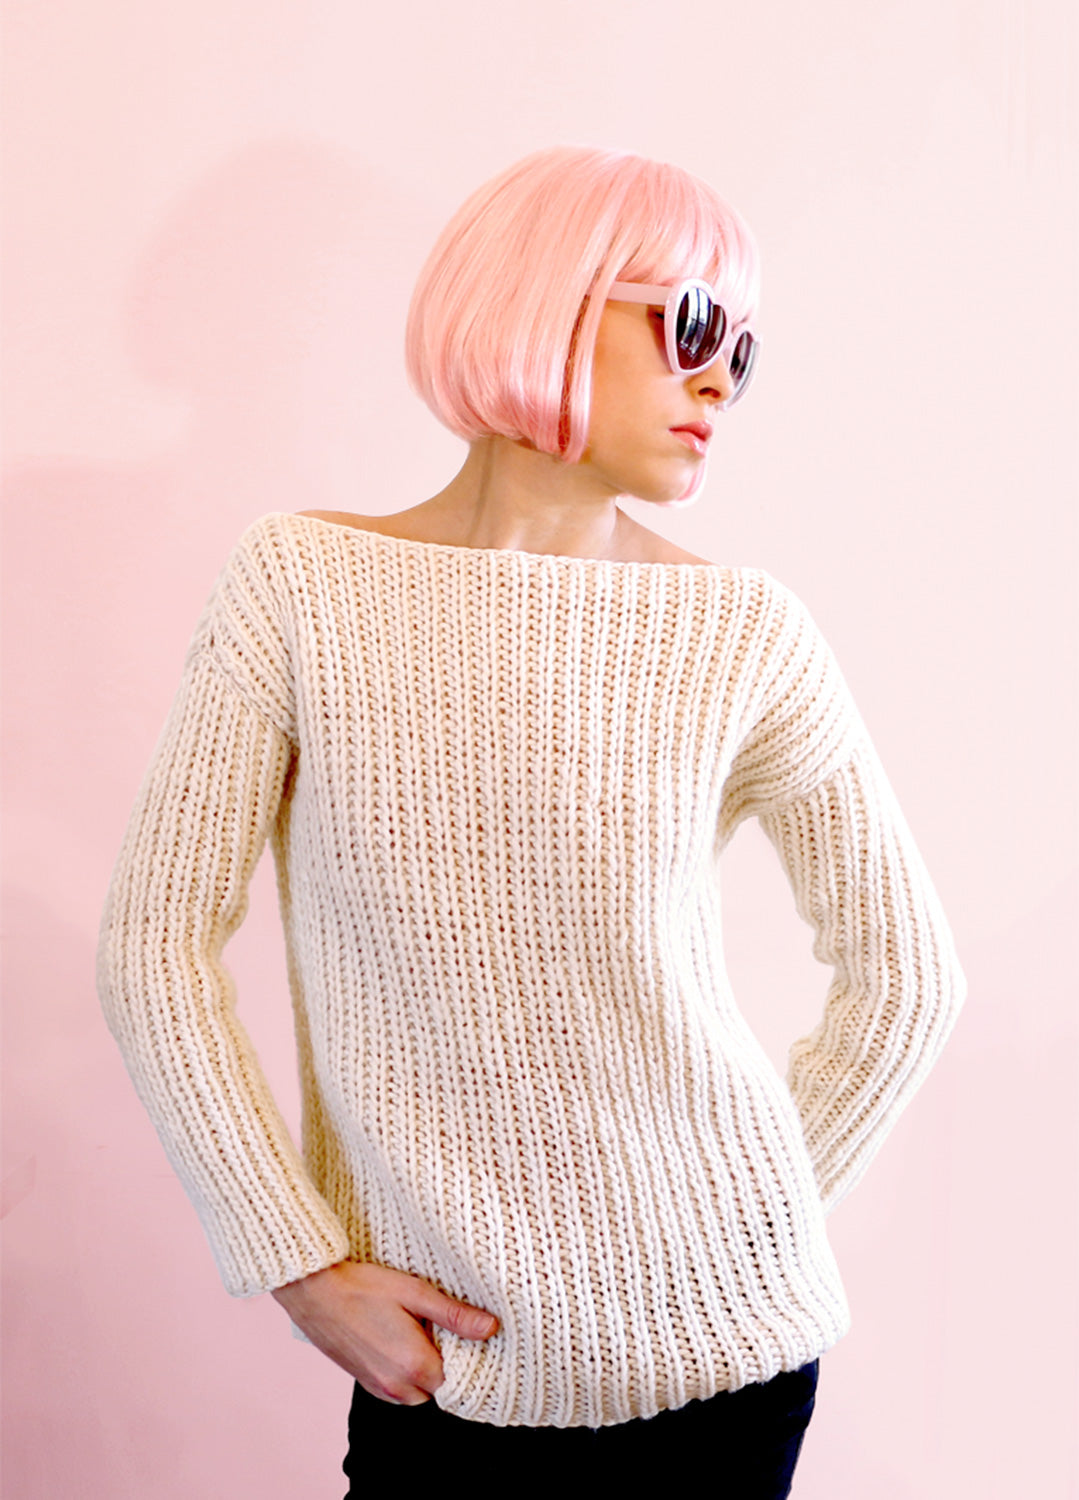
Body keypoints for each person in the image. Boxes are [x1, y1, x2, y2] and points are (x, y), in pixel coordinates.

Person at [96, 145, 966, 1498]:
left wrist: (747, 1231)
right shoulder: (302, 588)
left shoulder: (745, 634)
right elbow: (154, 944)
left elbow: (908, 979)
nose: (719, 383)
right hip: (447, 1364)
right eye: (691, 325)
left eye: (743, 354)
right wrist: (299, 1263)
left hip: (729, 1373)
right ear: (543, 300)